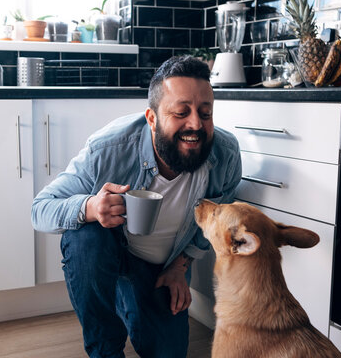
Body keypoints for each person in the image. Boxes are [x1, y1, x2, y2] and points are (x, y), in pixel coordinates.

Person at [31, 55, 242, 358]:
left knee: (167, 352)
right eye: (181, 112)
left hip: (162, 268)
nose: (195, 124)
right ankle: (106, 347)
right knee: (84, 238)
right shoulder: (108, 149)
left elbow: (215, 223)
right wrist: (91, 206)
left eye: (205, 113)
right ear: (152, 118)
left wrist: (180, 267)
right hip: (111, 254)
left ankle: (130, 301)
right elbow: (40, 209)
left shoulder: (225, 153)